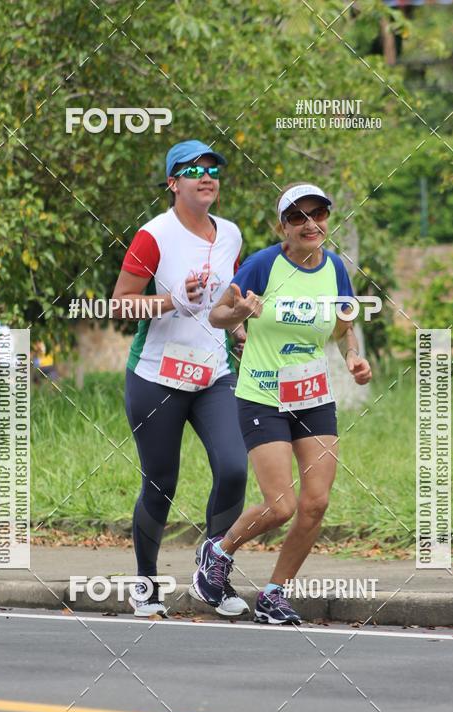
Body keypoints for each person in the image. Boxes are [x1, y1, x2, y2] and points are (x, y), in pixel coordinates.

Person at [190, 182, 372, 624]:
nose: (311, 225)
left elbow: (344, 322)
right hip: (262, 395)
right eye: (298, 218)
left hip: (312, 396)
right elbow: (217, 315)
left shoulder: (334, 270)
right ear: (283, 227)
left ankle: (274, 594)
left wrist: (352, 355)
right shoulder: (262, 265)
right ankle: (218, 550)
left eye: (318, 215)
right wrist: (242, 313)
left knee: (315, 503)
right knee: (281, 506)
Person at [112, 140, 249, 618]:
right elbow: (121, 302)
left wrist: (240, 326)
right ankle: (146, 585)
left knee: (233, 468)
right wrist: (171, 300)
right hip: (157, 376)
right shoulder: (153, 236)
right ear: (173, 183)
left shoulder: (231, 234)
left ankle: (213, 575)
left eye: (213, 169)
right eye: (193, 170)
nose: (206, 176)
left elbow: (224, 302)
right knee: (161, 482)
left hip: (214, 374)